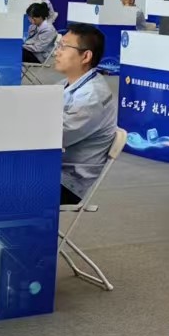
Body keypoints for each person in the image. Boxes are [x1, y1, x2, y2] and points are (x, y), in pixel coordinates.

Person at [53, 23, 117, 206]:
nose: (57, 52)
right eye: (58, 45)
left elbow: (52, 137)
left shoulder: (91, 97)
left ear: (86, 56)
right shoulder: (67, 83)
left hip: (67, 183)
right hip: (52, 168)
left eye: (64, 47)